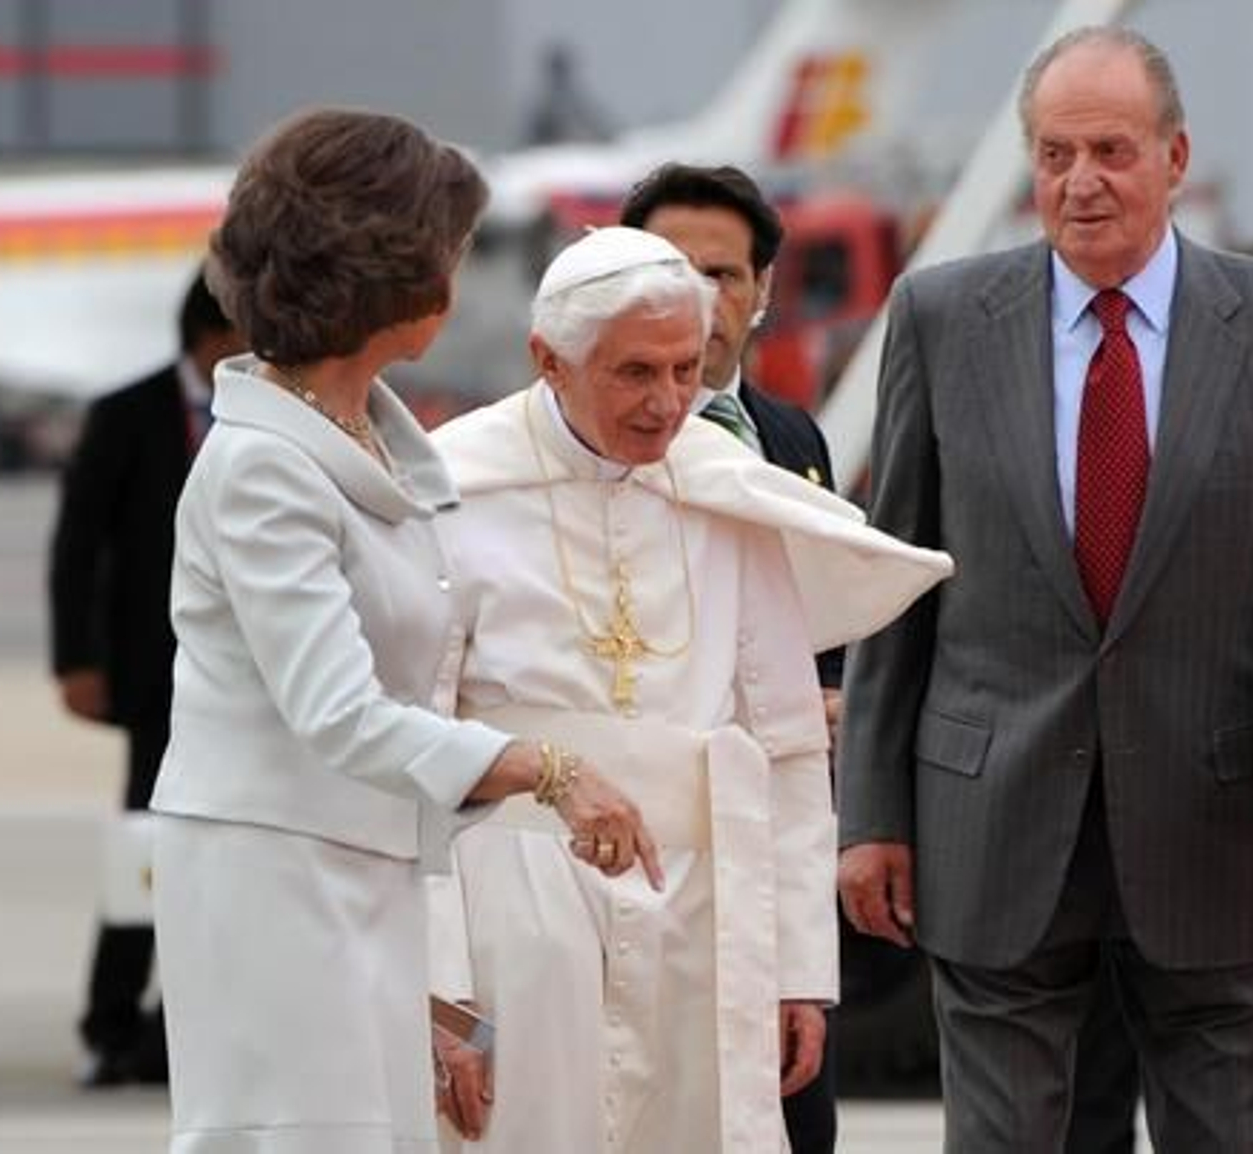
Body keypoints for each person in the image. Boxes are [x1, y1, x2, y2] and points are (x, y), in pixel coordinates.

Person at [836, 26, 1253, 1154]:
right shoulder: (940, 319)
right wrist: (874, 814)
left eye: (1110, 150)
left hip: (1215, 821)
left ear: (1174, 157)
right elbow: (898, 578)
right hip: (992, 822)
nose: (1078, 183)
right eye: (1051, 155)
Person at [148, 108, 661, 1153]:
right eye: (450, 251)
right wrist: (545, 768)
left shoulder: (363, 441)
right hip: (278, 880)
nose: (459, 279)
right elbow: (337, 710)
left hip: (358, 871)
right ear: (391, 271)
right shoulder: (263, 469)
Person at [426, 226, 952, 1154]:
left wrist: (797, 971)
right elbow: (412, 747)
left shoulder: (723, 490)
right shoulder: (453, 491)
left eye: (684, 369)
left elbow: (783, 742)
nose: (668, 403)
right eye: (635, 373)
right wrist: (438, 987)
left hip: (702, 918)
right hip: (516, 906)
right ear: (548, 359)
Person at [620, 160, 843, 1153]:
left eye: (723, 275)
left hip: (770, 855)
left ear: (760, 296)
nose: (698, 299)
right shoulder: (583, 443)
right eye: (671, 269)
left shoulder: (792, 438)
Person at [48, 268, 243, 1087]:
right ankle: (111, 1019)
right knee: (145, 846)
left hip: (243, 679)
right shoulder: (126, 414)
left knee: (226, 854)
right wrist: (77, 661)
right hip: (154, 679)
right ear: (212, 337)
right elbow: (77, 546)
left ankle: (182, 1028)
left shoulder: (265, 416)